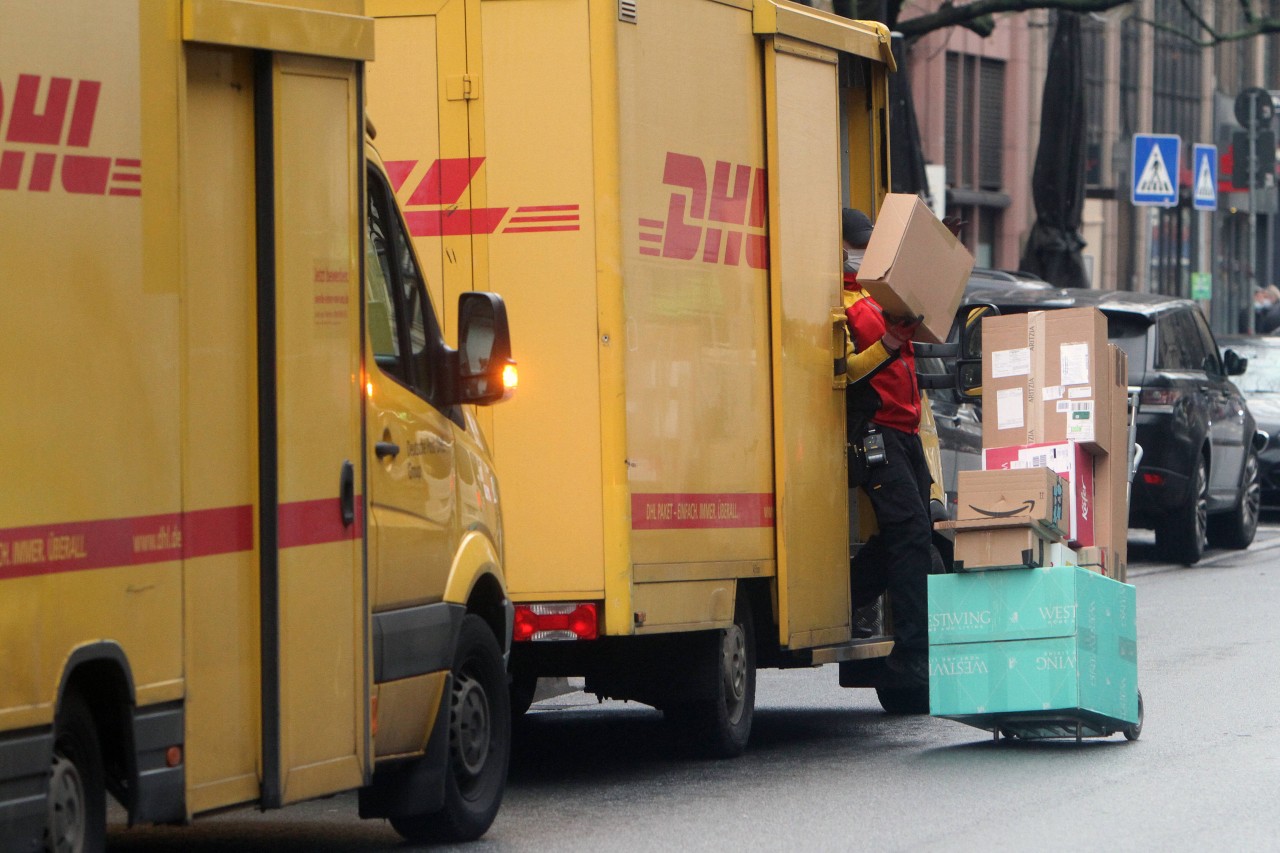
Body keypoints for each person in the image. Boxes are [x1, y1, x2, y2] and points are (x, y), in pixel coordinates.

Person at [841, 207, 933, 688]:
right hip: (875, 431)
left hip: (906, 434)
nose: (861, 251)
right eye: (855, 244)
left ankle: (844, 595)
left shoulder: (880, 294)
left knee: (908, 536)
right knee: (912, 532)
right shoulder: (839, 301)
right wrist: (891, 343)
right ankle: (912, 656)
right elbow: (846, 374)